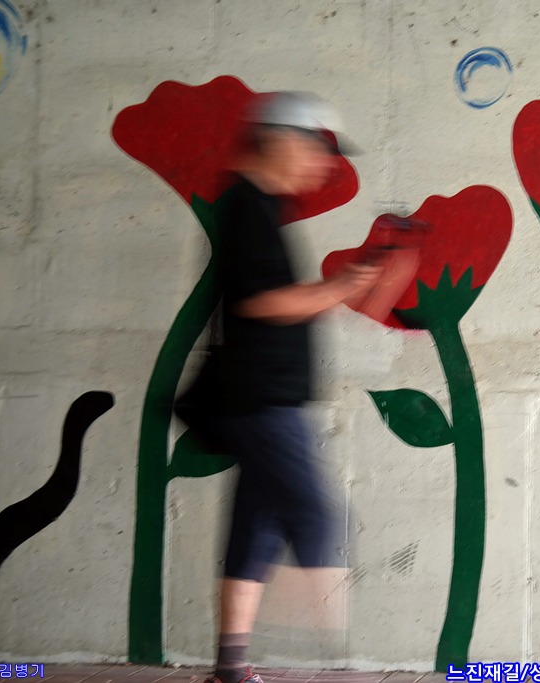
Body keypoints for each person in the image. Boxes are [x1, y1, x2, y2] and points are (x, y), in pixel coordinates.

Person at [207, 91, 416, 683]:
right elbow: (260, 302)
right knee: (317, 516)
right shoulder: (247, 208)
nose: (325, 164)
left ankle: (230, 667)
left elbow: (276, 300)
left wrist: (349, 285)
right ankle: (338, 658)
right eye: (318, 148)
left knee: (257, 526)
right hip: (261, 398)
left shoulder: (259, 208)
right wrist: (340, 287)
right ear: (279, 139)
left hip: (263, 396)